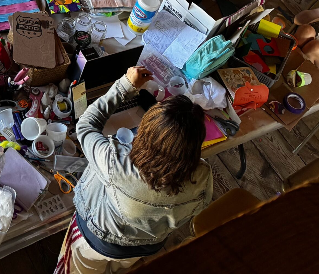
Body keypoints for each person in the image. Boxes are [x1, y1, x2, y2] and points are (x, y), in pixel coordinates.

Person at [55, 66, 213, 274]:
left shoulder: (115, 163)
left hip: (95, 242)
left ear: (144, 131)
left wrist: (125, 86)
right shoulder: (202, 176)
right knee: (120, 268)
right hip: (144, 246)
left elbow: (85, 126)